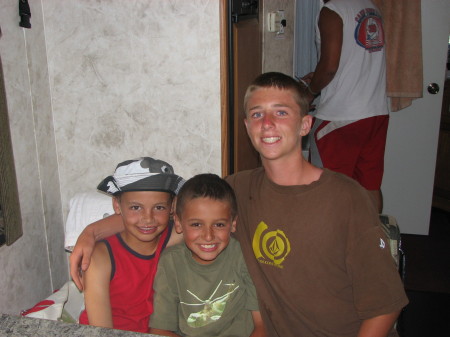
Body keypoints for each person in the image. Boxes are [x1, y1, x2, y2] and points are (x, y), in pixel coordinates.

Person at [70, 72, 408, 337]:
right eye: (257, 114)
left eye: (281, 112)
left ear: (305, 124)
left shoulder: (345, 197)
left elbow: (385, 305)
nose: (268, 124)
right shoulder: (237, 189)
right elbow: (162, 215)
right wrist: (93, 232)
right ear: (247, 127)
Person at [149, 173, 265, 337]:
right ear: (178, 223)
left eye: (219, 224)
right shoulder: (171, 263)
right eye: (196, 224)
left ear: (233, 224)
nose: (208, 236)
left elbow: (262, 325)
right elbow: (160, 329)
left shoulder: (243, 256)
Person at [78, 157, 185, 333]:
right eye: (136, 208)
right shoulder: (100, 258)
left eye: (159, 207)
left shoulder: (173, 235)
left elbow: (207, 214)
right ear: (117, 206)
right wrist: (91, 232)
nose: (148, 218)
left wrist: (92, 230)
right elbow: (101, 331)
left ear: (172, 206)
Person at [302, 0, 389, 212]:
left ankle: (328, 244)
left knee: (325, 189)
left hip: (341, 117)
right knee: (369, 185)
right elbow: (353, 61)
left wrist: (309, 93)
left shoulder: (333, 11)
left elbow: (330, 67)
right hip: (375, 112)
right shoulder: (370, 8)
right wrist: (320, 78)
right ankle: (372, 240)